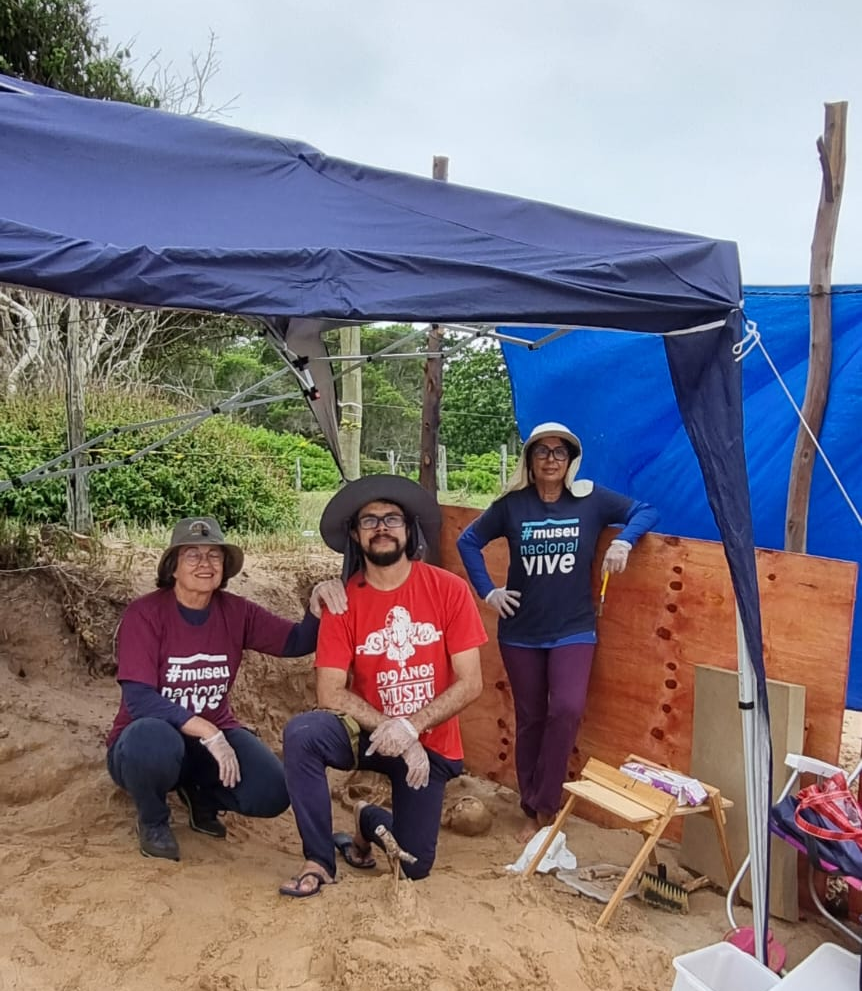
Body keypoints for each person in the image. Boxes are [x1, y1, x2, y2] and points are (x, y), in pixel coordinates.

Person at [279, 475, 487, 898]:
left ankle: (366, 820)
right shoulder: (342, 600)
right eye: (369, 520)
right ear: (355, 534)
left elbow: (471, 683)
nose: (381, 527)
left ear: (409, 529)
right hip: (367, 733)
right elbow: (330, 693)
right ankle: (319, 859)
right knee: (303, 735)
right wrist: (393, 729)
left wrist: (412, 730)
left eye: (391, 518)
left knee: (413, 866)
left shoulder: (449, 591)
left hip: (429, 744)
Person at [456, 422, 658, 843]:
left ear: (571, 461)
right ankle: (531, 804)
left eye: (559, 453)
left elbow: (645, 510)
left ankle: (545, 803)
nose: (551, 459)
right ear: (530, 459)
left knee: (565, 709)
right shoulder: (512, 506)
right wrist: (488, 592)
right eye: (542, 452)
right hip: (520, 631)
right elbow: (468, 541)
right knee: (529, 718)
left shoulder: (591, 500)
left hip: (573, 630)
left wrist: (625, 542)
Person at [106, 516, 346, 861]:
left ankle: (201, 796)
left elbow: (294, 641)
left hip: (208, 741)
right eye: (192, 555)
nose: (205, 564)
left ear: (224, 567)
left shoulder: (236, 613)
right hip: (142, 744)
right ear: (173, 567)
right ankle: (154, 819)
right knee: (152, 740)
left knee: (274, 790)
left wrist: (316, 608)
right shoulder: (144, 615)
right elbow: (140, 699)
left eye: (214, 556)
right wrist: (208, 731)